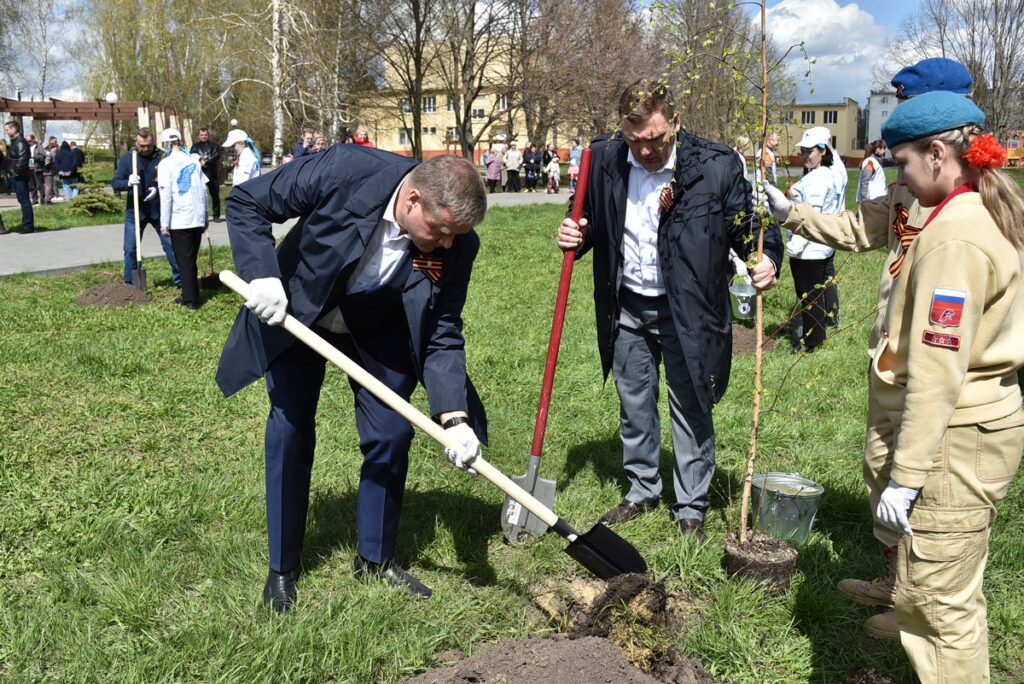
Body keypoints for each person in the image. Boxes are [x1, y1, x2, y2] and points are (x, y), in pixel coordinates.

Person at [215, 150, 489, 613]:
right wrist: (262, 274)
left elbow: (442, 328)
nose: (446, 245)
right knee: (290, 426)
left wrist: (455, 416)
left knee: (391, 431)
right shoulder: (345, 170)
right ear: (413, 199)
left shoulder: (457, 245)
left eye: (454, 236)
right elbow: (247, 202)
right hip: (298, 310)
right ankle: (283, 569)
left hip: (376, 328)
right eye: (440, 231)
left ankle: (376, 559)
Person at [761, 57, 975, 636]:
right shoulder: (914, 187)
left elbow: (950, 336)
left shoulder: (963, 206)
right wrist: (794, 215)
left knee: (928, 489)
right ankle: (896, 580)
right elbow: (862, 226)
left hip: (939, 370)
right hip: (897, 359)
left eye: (907, 103)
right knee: (882, 466)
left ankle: (920, 610)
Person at [556, 79, 782, 541]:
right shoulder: (605, 160)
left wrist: (768, 259)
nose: (646, 151)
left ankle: (691, 505)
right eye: (636, 140)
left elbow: (751, 228)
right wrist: (577, 235)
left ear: (675, 123)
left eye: (657, 139)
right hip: (627, 306)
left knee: (690, 402)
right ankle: (642, 489)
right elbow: (590, 219)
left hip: (689, 308)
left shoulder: (714, 166)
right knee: (634, 401)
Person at [868, 91, 1023, 683]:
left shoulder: (954, 237)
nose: (899, 176)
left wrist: (906, 478)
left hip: (955, 438)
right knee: (947, 583)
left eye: (902, 162)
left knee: (941, 606)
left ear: (937, 153)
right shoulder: (978, 212)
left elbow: (937, 370)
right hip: (976, 427)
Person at [786, 126, 840, 351]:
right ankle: (817, 337)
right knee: (814, 294)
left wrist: (794, 247)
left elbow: (810, 216)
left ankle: (812, 343)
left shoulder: (818, 179)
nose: (805, 155)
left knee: (810, 297)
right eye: (803, 151)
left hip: (809, 248)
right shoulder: (820, 174)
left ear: (823, 152)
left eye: (810, 151)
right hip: (818, 246)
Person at [111, 128, 182, 287]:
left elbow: (176, 179)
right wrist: (128, 183)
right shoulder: (129, 159)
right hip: (135, 212)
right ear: (136, 143)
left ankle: (181, 280)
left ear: (153, 142)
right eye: (142, 145)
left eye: (148, 145)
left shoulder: (164, 157)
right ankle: (130, 284)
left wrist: (158, 187)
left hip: (160, 211)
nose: (145, 148)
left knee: (171, 246)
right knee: (130, 248)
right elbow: (115, 182)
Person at [157, 128, 209, 310]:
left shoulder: (165, 164)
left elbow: (165, 194)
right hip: (196, 217)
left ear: (164, 144)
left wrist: (164, 222)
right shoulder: (193, 161)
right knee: (191, 258)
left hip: (179, 219)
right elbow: (203, 190)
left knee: (184, 260)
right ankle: (193, 292)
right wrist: (205, 217)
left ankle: (190, 299)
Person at [3, 120, 34, 234]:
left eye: (7, 129)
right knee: (22, 200)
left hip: (20, 176)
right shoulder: (15, 141)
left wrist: (14, 173)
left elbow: (22, 160)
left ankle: (28, 226)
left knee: (24, 201)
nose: (6, 132)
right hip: (17, 176)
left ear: (13, 129)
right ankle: (26, 225)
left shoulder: (20, 142)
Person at [192, 127, 223, 222]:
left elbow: (216, 156)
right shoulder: (195, 146)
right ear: (199, 136)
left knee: (215, 195)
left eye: (205, 135)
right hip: (200, 173)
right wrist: (199, 160)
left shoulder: (215, 146)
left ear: (208, 135)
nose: (204, 136)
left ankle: (216, 215)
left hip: (212, 173)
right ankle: (199, 215)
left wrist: (206, 161)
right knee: (198, 195)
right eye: (201, 135)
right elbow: (192, 156)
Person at [35, 136, 58, 204]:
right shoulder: (48, 152)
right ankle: (47, 199)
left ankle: (45, 198)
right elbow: (51, 160)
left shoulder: (43, 151)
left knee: (45, 185)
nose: (56, 143)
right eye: (55, 141)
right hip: (48, 170)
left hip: (43, 170)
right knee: (49, 185)